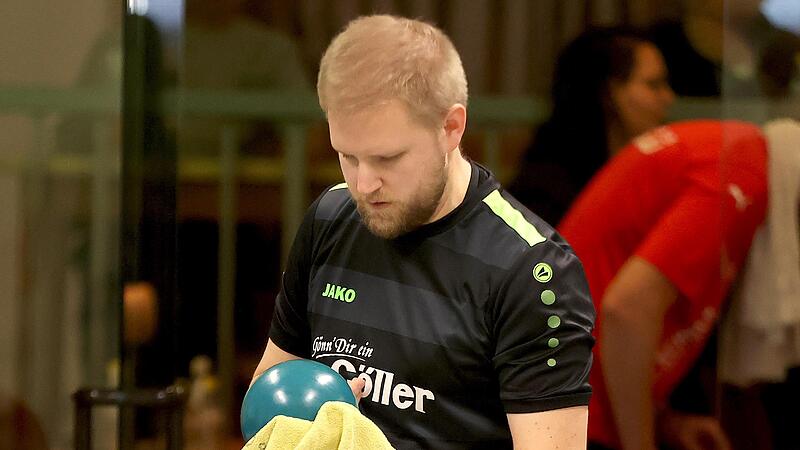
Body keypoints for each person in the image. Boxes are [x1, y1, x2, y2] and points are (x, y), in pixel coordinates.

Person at [251, 15, 595, 449]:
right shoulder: (330, 216)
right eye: (347, 155)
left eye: (387, 158)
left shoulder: (533, 270)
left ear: (451, 127)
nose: (363, 184)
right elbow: (267, 402)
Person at [558, 120, 768, 450]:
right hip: (563, 411)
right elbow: (627, 310)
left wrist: (663, 422)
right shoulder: (743, 172)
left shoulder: (737, 152)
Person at [507, 27, 674, 225]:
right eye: (654, 85)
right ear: (610, 93)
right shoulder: (546, 193)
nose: (668, 98)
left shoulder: (653, 176)